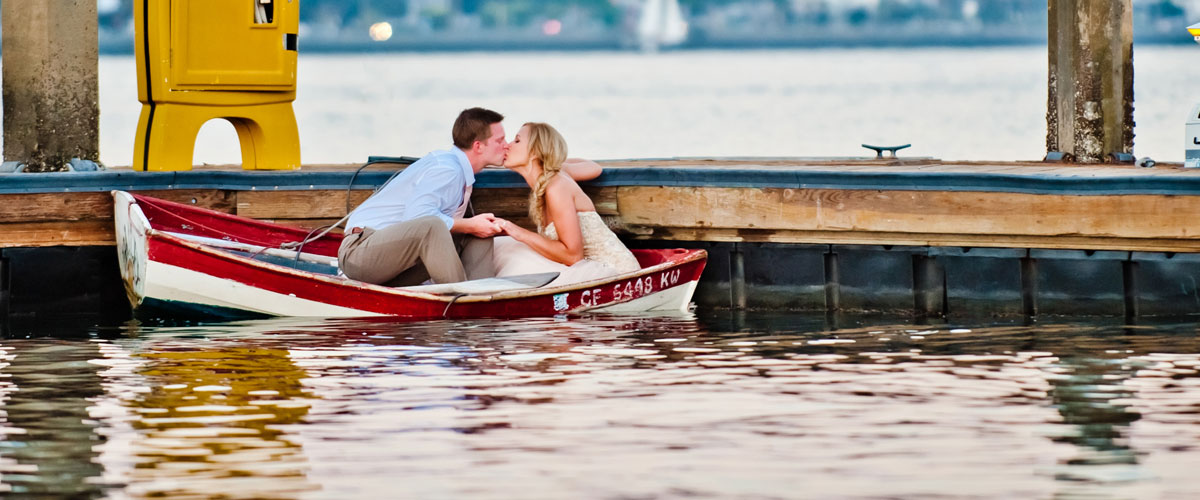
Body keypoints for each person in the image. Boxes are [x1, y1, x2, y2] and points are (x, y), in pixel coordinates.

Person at [338, 107, 508, 287]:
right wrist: (469, 224)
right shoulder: (448, 169)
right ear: (478, 146)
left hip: (398, 263)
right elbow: (418, 217)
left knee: (480, 233)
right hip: (361, 255)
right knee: (435, 226)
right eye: (500, 140)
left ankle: (481, 296)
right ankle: (463, 301)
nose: (507, 144)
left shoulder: (459, 171)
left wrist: (474, 227)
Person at [492, 122, 641, 286]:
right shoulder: (558, 173)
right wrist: (552, 161)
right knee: (502, 246)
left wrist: (519, 232)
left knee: (510, 250)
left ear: (535, 152)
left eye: (517, 141)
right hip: (583, 268)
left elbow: (573, 256)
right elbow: (594, 168)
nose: (507, 146)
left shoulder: (556, 187)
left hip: (615, 275)